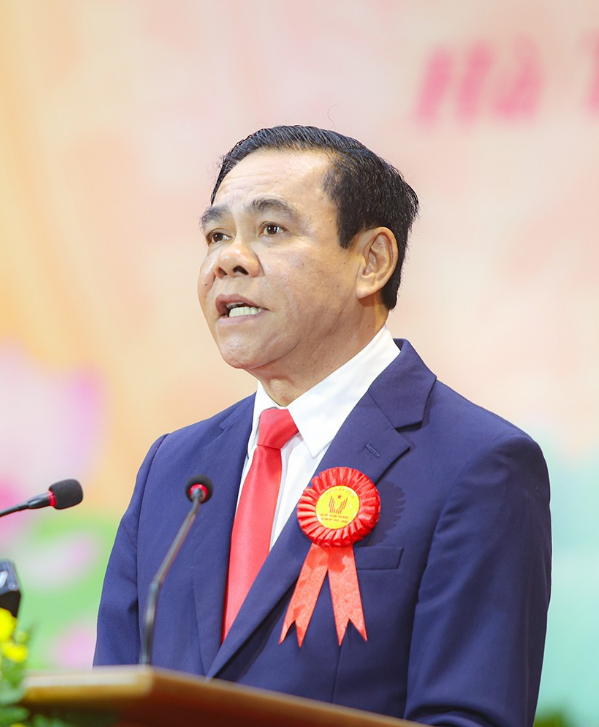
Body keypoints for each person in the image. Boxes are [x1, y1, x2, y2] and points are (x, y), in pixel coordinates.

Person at [94, 126, 551, 727]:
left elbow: (465, 717)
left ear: (371, 262)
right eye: (217, 235)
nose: (228, 259)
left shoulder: (478, 465)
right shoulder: (173, 469)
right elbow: (107, 702)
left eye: (271, 229)